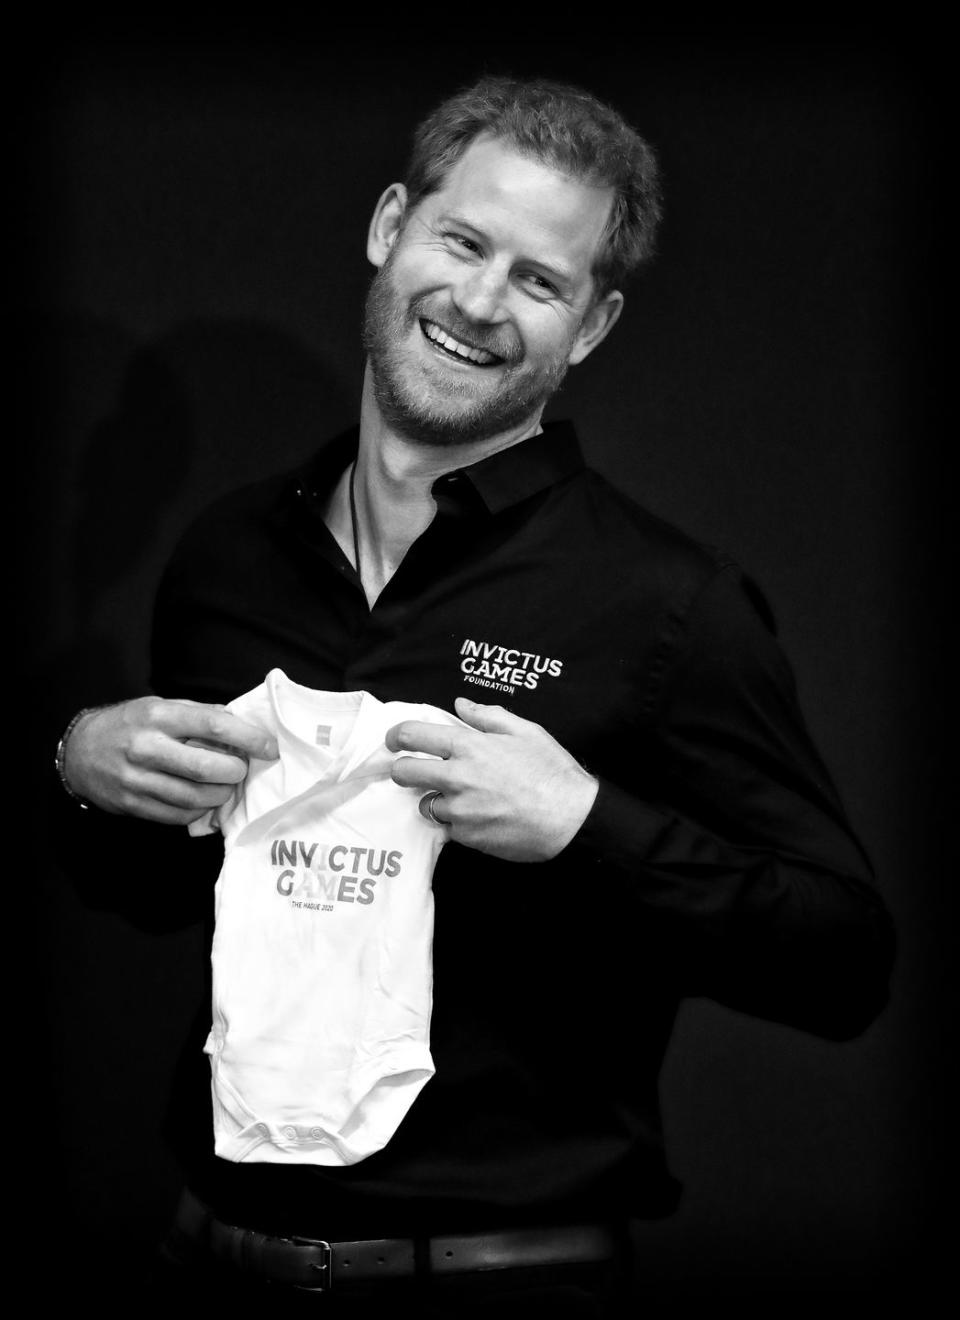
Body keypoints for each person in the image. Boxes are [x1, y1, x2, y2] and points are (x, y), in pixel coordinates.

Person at [56, 76, 894, 1313]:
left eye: (539, 280)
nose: (481, 302)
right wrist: (83, 768)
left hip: (497, 1281)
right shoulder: (230, 556)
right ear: (392, 227)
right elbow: (158, 894)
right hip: (208, 1253)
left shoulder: (664, 603)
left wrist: (585, 827)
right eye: (463, 241)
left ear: (591, 327)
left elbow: (845, 965)